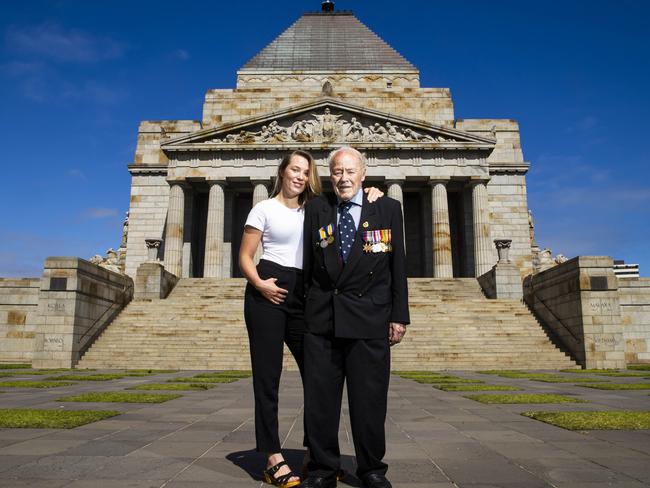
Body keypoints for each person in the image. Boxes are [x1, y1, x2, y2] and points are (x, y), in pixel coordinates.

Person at [239, 150, 383, 488]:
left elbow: (350, 196)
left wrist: (372, 193)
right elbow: (245, 255)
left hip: (307, 292)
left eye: (306, 172)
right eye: (295, 169)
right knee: (267, 377)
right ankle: (273, 457)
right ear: (283, 171)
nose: (300, 177)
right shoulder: (264, 208)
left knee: (318, 378)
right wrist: (259, 284)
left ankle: (314, 455)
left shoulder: (317, 207)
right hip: (269, 288)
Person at [300, 146, 409, 488]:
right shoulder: (318, 208)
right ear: (329, 176)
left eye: (350, 171)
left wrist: (399, 315)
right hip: (324, 317)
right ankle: (322, 468)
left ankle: (372, 468)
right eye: (336, 172)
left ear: (363, 174)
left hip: (370, 317)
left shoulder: (388, 208)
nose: (343, 178)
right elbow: (307, 264)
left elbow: (397, 266)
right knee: (320, 402)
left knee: (369, 400)